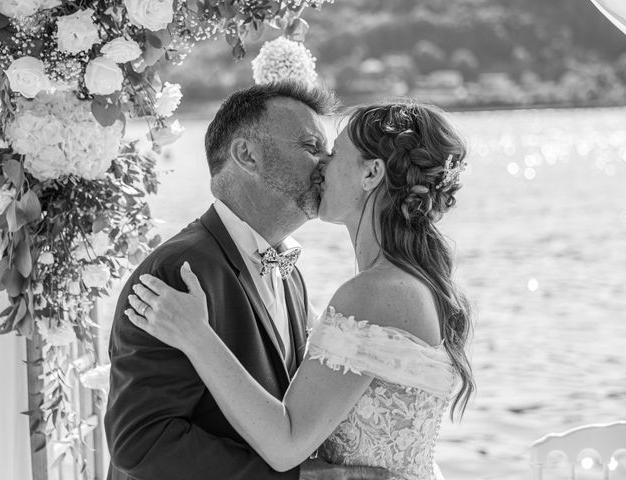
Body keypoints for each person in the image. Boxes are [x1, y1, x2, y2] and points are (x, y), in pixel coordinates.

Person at [126, 101, 476, 479]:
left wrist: (196, 336)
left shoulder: (374, 292)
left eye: (334, 152)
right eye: (314, 149)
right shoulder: (403, 282)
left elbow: (285, 442)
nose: (323, 164)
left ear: (372, 173)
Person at [104, 81, 388, 480]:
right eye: (311, 147)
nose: (326, 164)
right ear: (246, 155)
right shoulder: (176, 272)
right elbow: (142, 442)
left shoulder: (291, 274)